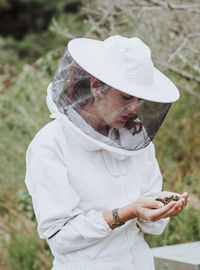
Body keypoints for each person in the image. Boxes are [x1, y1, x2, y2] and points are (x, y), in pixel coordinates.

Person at [25, 35, 189, 270]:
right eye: (126, 97)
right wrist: (126, 212)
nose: (134, 108)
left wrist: (160, 207)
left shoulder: (137, 142)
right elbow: (60, 237)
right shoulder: (50, 143)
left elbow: (151, 226)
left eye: (139, 99)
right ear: (96, 86)